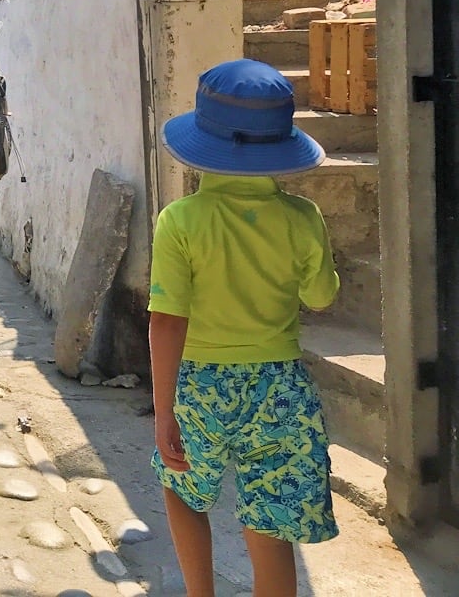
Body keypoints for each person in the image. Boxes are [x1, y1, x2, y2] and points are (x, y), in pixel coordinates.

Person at [150, 59, 341, 597]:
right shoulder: (303, 218)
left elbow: (166, 321)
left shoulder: (180, 221)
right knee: (272, 525)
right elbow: (321, 297)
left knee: (183, 491)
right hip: (279, 387)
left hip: (202, 386)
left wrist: (165, 410)